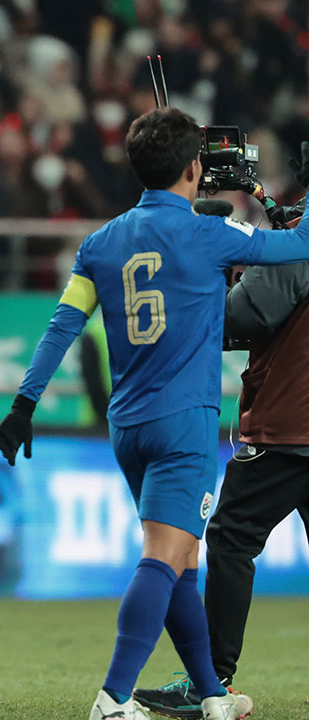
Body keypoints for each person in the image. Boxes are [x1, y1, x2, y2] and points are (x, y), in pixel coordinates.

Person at [0, 108, 309, 720]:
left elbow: (62, 327)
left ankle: (213, 696)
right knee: (166, 557)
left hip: (128, 424)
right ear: (196, 167)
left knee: (185, 562)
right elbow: (298, 245)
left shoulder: (99, 243)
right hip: (184, 422)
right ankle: (113, 697)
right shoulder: (214, 234)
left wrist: (24, 403)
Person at [133, 192, 309, 719]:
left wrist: (220, 255)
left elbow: (238, 321)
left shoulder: (298, 244)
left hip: (290, 425)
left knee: (232, 539)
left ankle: (209, 682)